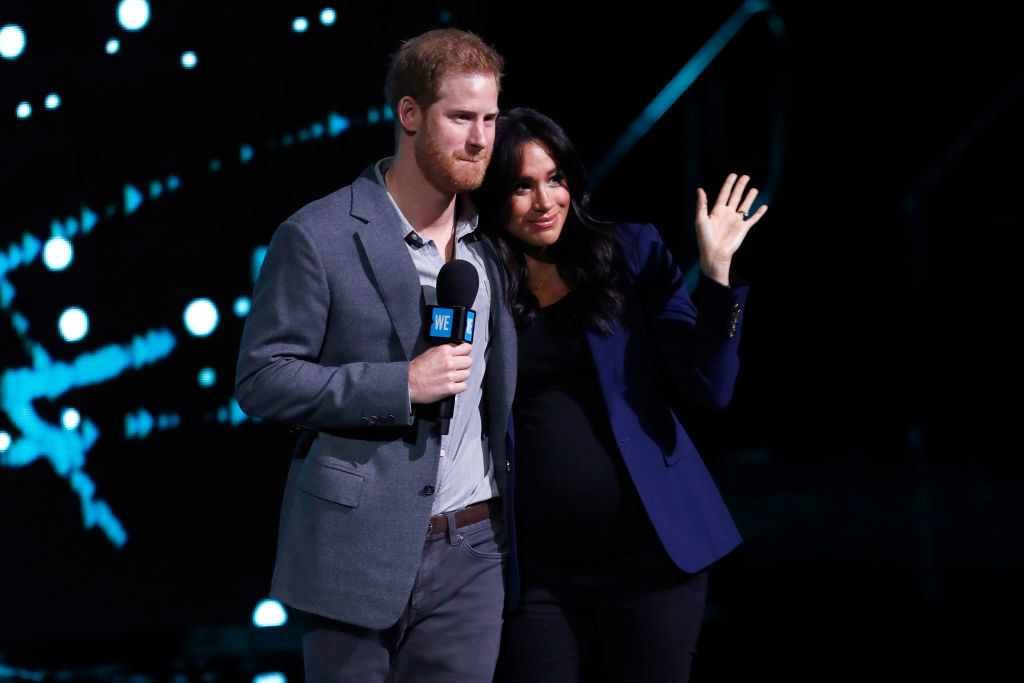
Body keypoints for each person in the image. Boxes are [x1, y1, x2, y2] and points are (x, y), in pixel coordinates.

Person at [234, 29, 516, 682]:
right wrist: (400, 385)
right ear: (410, 115)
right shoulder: (318, 234)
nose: (479, 138)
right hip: (354, 548)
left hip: (475, 548)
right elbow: (261, 379)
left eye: (490, 119)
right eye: (460, 118)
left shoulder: (490, 246)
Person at [473, 107, 767, 682]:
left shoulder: (631, 253)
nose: (544, 201)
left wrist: (716, 276)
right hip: (539, 573)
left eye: (554, 179)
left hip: (651, 559)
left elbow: (710, 386)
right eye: (521, 186)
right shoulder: (477, 281)